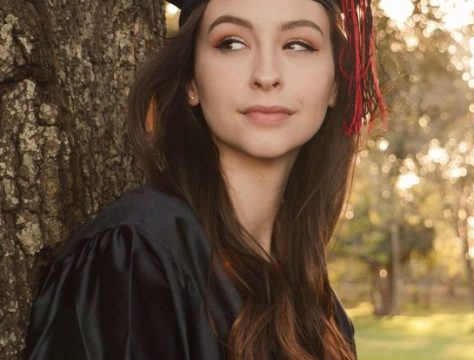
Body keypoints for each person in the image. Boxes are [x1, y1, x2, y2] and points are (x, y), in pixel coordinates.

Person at [24, 0, 386, 358]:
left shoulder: (320, 307)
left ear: (337, 84)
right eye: (232, 43)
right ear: (191, 82)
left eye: (298, 45)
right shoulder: (136, 259)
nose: (266, 74)